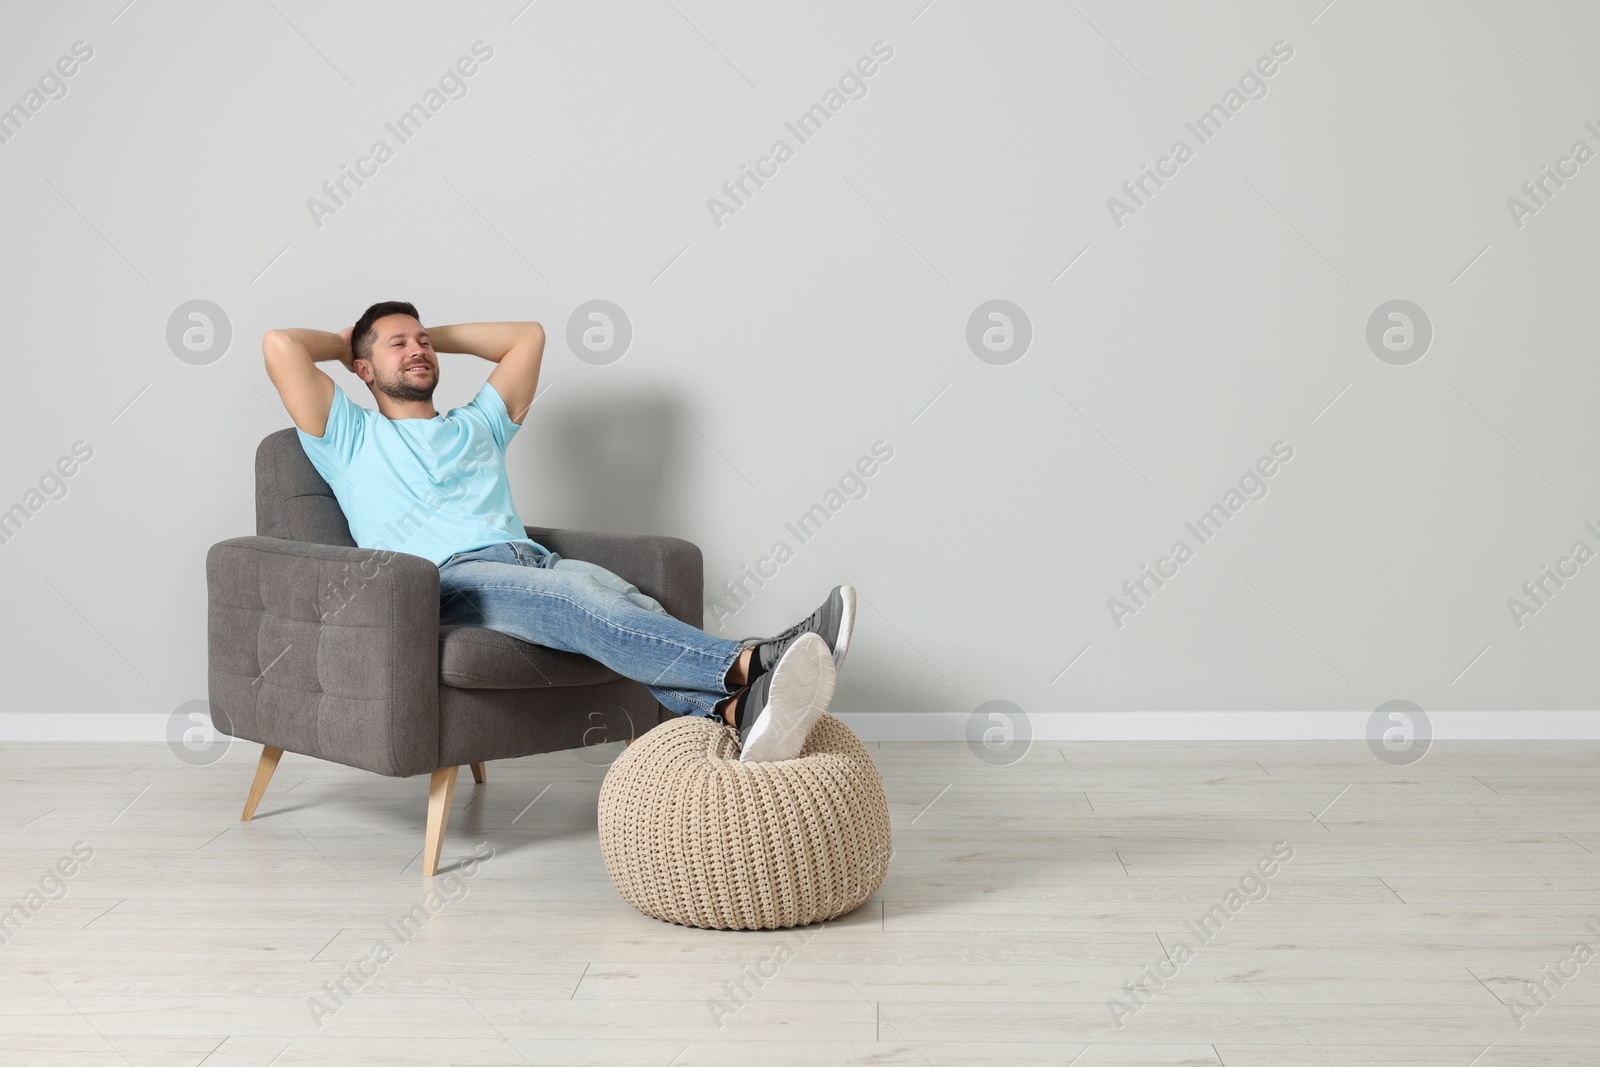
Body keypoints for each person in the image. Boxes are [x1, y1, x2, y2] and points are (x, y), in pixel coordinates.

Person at [261, 301, 854, 762]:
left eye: (423, 342)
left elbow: (528, 336)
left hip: (531, 561)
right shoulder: (350, 436)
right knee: (580, 600)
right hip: (447, 581)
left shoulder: (478, 425)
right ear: (363, 369)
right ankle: (755, 660)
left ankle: (735, 712)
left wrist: (423, 335)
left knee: (631, 601)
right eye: (399, 345)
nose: (417, 350)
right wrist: (349, 342)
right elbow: (280, 345)